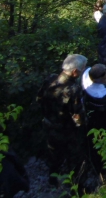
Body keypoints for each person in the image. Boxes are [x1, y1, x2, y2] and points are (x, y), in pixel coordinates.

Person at [37, 54, 87, 187]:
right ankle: (78, 188)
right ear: (75, 71)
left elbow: (39, 99)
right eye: (83, 68)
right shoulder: (73, 90)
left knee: (54, 155)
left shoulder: (50, 79)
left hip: (48, 125)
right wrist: (82, 126)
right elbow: (78, 116)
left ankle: (53, 180)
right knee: (75, 159)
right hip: (67, 130)